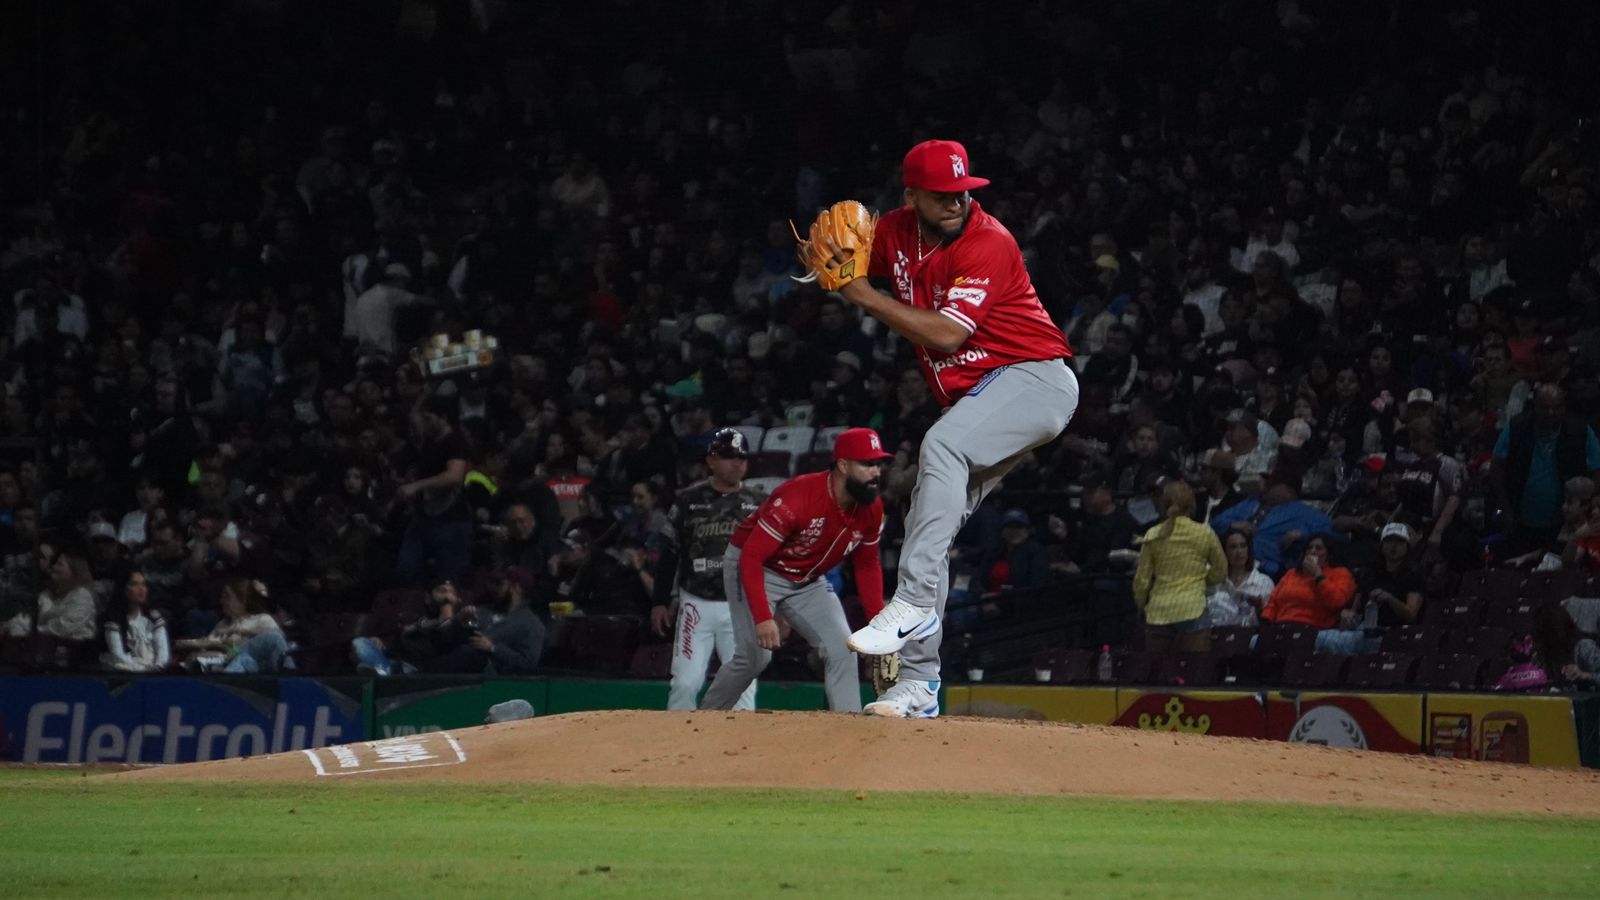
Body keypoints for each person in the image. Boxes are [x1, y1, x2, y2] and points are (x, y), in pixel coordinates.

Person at [807, 140, 1077, 719]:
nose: (955, 202)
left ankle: (909, 605)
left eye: (962, 192)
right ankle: (919, 686)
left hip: (1034, 381)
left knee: (943, 444)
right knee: (932, 513)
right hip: (983, 397)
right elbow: (842, 247)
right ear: (912, 197)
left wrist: (860, 293)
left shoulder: (988, 241)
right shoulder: (900, 232)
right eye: (941, 195)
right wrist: (829, 248)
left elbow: (948, 336)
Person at [700, 428, 889, 714]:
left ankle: (850, 731)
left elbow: (866, 564)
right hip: (756, 566)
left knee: (842, 649)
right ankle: (704, 720)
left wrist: (878, 624)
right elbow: (751, 557)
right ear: (843, 465)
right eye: (867, 464)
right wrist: (764, 617)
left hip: (807, 578)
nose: (875, 472)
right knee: (755, 659)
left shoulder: (871, 508)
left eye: (877, 464)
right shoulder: (798, 497)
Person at [651, 428, 765, 711]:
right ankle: (678, 746)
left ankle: (739, 749)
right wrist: (659, 601)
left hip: (741, 605)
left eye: (741, 458)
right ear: (711, 460)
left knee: (743, 686)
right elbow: (669, 554)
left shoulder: (760, 503)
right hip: (696, 603)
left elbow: (773, 558)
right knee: (685, 683)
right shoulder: (688, 500)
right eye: (728, 457)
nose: (737, 463)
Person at [1132, 481, 1227, 654]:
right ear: (1191, 504)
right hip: (1192, 606)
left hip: (1159, 609)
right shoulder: (1204, 532)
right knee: (1195, 671)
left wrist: (1140, 605)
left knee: (1157, 672)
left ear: (1163, 503)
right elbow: (1221, 570)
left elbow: (1142, 579)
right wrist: (1202, 579)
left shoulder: (1153, 534)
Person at [395, 394, 474, 585]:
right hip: (426, 514)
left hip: (450, 517)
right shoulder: (430, 441)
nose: (426, 423)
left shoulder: (455, 440)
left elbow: (454, 475)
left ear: (443, 417)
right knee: (408, 568)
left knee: (448, 576)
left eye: (429, 419)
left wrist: (417, 485)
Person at [1317, 523, 1424, 655]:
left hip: (1391, 633)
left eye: (1400, 542)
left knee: (1323, 640)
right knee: (1317, 641)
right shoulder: (1370, 573)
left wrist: (1390, 599)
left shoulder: (1414, 575)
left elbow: (1411, 615)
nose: (1394, 546)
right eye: (1389, 541)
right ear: (1382, 545)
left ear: (1407, 546)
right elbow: (1354, 611)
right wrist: (1347, 615)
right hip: (1363, 629)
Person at [1261, 535, 1357, 629]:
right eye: (1309, 548)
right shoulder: (1291, 573)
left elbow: (1337, 602)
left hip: (1314, 627)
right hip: (1282, 625)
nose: (1312, 551)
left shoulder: (1340, 573)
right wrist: (1266, 620)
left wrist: (1318, 576)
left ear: (1328, 553)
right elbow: (1274, 600)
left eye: (1318, 548)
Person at [1205, 527, 1275, 629]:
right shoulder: (1214, 580)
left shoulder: (1264, 582)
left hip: (1248, 637)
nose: (1239, 552)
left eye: (1243, 546)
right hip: (1214, 634)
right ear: (1224, 551)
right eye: (1233, 547)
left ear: (1248, 549)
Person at [101, 570, 171, 672]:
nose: (141, 589)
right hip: (128, 672)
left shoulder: (153, 618)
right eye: (134, 584)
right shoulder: (114, 619)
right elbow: (117, 655)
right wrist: (142, 671)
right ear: (123, 589)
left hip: (154, 672)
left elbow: (163, 651)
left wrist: (157, 667)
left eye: (143, 584)